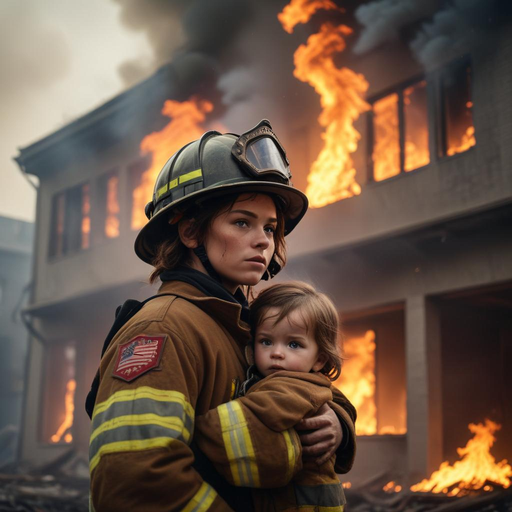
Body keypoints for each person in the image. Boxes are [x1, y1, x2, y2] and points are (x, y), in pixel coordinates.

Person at [87, 120, 356, 512]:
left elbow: (307, 385)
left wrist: (337, 424)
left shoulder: (244, 326)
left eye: (270, 226)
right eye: (242, 222)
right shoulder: (162, 330)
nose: (264, 239)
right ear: (191, 232)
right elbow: (137, 481)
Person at [194, 281, 353, 511]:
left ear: (320, 359)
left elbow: (224, 434)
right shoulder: (304, 381)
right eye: (266, 341)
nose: (277, 353)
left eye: (294, 344)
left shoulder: (290, 388)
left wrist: (188, 437)